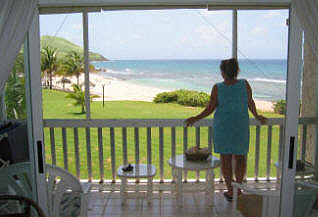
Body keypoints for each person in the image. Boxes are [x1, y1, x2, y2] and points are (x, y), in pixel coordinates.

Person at [185, 58, 267, 201]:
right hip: (239, 127)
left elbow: (210, 108)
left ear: (223, 72)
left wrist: (195, 118)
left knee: (226, 160)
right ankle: (237, 190)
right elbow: (250, 103)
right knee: (240, 158)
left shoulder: (218, 87)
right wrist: (256, 115)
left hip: (224, 127)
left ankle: (231, 192)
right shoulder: (244, 84)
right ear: (236, 71)